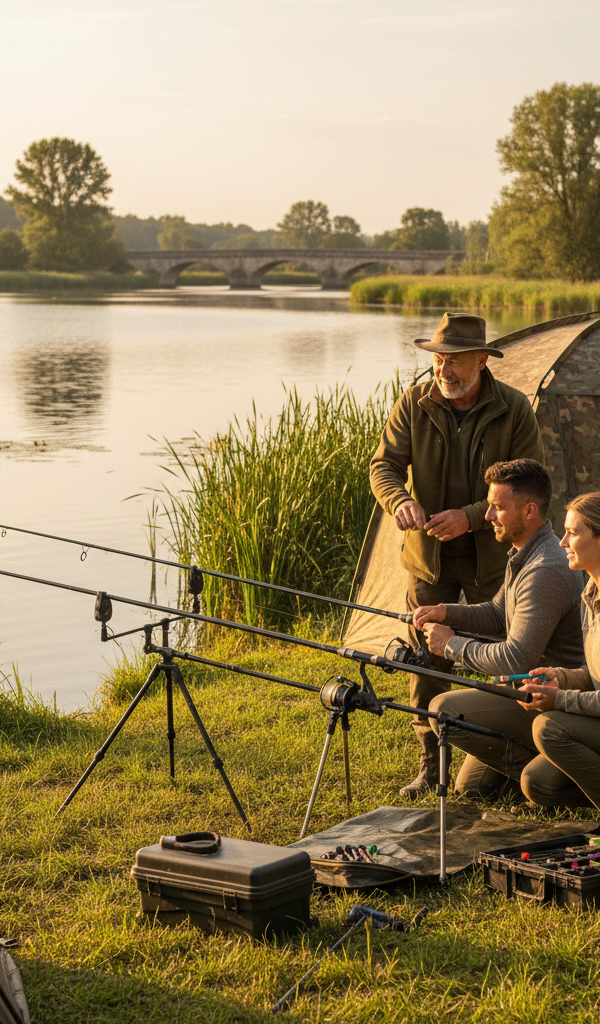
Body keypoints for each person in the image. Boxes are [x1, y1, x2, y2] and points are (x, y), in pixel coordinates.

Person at [370, 311, 544, 798]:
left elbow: (529, 478)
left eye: (455, 361)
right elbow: (383, 465)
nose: (444, 370)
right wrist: (399, 500)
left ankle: (514, 754)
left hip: (496, 556)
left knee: (511, 655)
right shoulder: (414, 403)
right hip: (428, 559)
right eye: (439, 359)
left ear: (483, 360)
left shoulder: (514, 409)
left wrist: (470, 517)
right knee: (427, 662)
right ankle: (431, 764)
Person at [418, 459, 584, 800]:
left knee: (442, 709)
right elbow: (497, 613)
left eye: (497, 507)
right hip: (531, 693)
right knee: (472, 787)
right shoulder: (527, 551)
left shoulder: (544, 570)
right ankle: (534, 764)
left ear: (529, 511)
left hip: (557, 702)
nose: (489, 516)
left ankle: (551, 769)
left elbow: (515, 658)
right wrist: (448, 612)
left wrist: (451, 646)